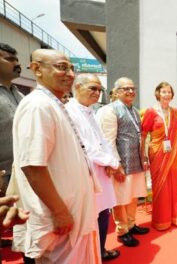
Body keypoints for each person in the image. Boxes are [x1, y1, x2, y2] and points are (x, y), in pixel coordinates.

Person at [10, 49, 100, 263]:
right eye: (61, 67)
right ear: (37, 69)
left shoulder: (54, 103)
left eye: (71, 68)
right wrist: (60, 212)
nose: (69, 73)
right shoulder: (37, 106)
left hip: (74, 210)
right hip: (62, 216)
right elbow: (33, 166)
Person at [65, 73, 121, 261]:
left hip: (101, 172)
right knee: (89, 218)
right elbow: (84, 147)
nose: (97, 93)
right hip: (85, 175)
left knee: (103, 213)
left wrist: (112, 161)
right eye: (93, 88)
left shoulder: (91, 111)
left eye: (99, 89)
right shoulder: (69, 111)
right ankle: (91, 255)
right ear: (77, 87)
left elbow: (102, 140)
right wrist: (111, 162)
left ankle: (100, 250)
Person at [96, 77, 148, 247]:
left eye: (133, 88)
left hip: (136, 162)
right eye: (126, 88)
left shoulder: (134, 110)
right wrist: (115, 165)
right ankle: (122, 230)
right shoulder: (109, 110)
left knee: (132, 196)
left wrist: (144, 157)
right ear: (116, 92)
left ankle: (132, 224)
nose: (131, 91)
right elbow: (108, 141)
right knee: (120, 199)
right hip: (121, 164)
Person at [141, 81, 177, 231]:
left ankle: (174, 216)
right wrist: (143, 154)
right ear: (158, 93)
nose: (167, 94)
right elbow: (144, 134)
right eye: (164, 91)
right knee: (160, 186)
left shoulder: (175, 112)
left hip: (173, 153)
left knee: (174, 184)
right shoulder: (151, 112)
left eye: (169, 92)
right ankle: (161, 220)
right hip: (157, 153)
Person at [0, 43, 23, 198]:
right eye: (10, 59)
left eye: (17, 59)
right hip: (3, 175)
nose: (17, 64)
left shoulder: (20, 95)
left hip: (22, 171)